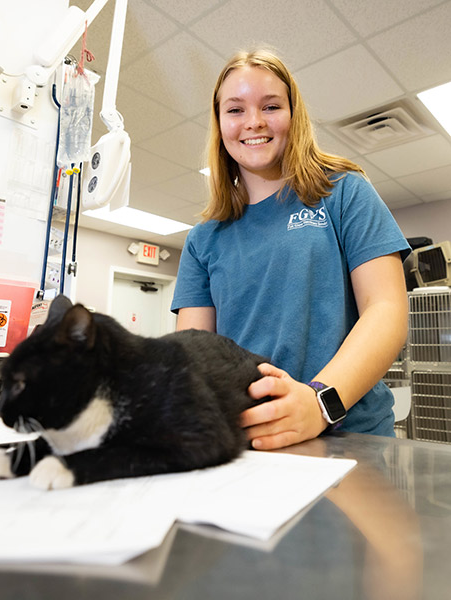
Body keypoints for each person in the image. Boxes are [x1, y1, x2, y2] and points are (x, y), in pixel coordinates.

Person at [171, 48, 411, 450]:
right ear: (219, 124)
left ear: (293, 114)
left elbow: (385, 310)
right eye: (235, 110)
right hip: (250, 442)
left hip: (350, 436)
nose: (254, 122)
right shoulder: (203, 239)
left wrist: (318, 403)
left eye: (271, 106)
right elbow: (194, 354)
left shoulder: (343, 192)